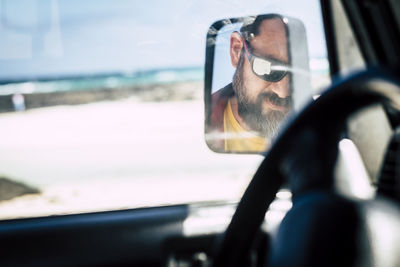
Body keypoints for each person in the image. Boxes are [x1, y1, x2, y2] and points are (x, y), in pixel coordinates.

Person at [208, 15, 292, 152]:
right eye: (267, 67)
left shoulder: (317, 124)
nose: (283, 92)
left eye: (296, 72)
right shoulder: (202, 121)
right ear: (236, 50)